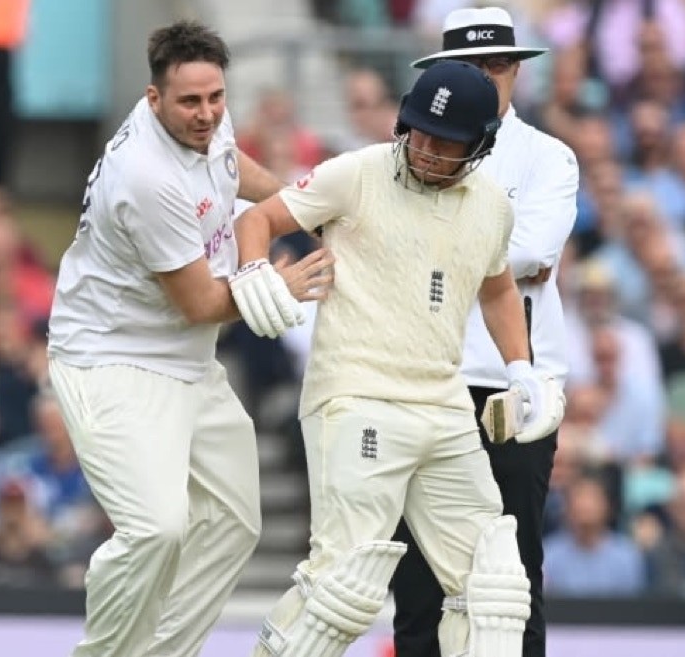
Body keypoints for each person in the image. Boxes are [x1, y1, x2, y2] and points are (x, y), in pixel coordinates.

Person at [234, 59, 562, 657]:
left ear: (481, 144)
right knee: (342, 590)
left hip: (442, 405)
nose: (428, 151)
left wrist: (521, 371)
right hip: (356, 397)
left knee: (493, 590)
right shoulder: (356, 175)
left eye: (447, 142)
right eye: (419, 133)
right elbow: (260, 217)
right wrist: (256, 267)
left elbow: (497, 290)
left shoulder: (491, 207)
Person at [43, 21, 331, 657]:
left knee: (233, 521)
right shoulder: (147, 179)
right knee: (156, 529)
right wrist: (279, 286)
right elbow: (201, 303)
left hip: (185, 362)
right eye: (189, 102)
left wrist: (301, 205)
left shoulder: (205, 121)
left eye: (215, 98)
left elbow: (231, 167)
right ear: (153, 99)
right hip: (111, 360)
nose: (206, 114)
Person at [392, 7, 578, 657]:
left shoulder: (549, 157)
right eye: (469, 67)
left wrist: (434, 251)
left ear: (517, 72)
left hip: (512, 385)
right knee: (417, 577)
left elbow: (533, 249)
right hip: (427, 380)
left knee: (511, 575)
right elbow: (511, 257)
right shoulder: (411, 152)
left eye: (497, 64)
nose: (486, 77)